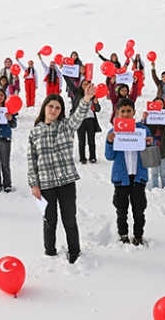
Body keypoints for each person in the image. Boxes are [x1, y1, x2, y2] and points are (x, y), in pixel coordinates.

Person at [27, 83, 95, 264]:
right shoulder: (35, 132)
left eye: (58, 107)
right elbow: (31, 160)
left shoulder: (66, 126)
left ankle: (75, 252)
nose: (54, 110)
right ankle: (50, 252)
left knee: (69, 220)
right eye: (51, 106)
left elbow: (78, 115)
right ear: (45, 107)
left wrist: (86, 99)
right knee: (49, 221)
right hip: (45, 184)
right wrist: (34, 184)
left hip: (66, 182)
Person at [105, 98, 154, 245]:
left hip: (139, 176)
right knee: (121, 209)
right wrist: (109, 142)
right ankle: (123, 234)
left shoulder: (143, 130)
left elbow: (149, 154)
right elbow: (109, 156)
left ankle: (138, 235)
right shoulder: (113, 132)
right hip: (121, 177)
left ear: (134, 112)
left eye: (128, 111)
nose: (126, 114)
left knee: (139, 209)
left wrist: (151, 143)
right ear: (117, 113)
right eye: (122, 111)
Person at [142, 97, 165, 189]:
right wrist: (144, 120)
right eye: (157, 104)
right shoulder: (149, 115)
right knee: (154, 172)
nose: (159, 106)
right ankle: (154, 187)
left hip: (164, 147)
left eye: (161, 104)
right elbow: (144, 130)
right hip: (152, 147)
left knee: (163, 171)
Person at [71, 80, 101, 164]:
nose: (86, 86)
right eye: (84, 84)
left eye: (87, 84)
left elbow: (98, 109)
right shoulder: (78, 95)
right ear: (81, 86)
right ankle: (82, 158)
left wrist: (96, 103)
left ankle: (92, 157)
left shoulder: (93, 96)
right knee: (81, 141)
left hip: (91, 120)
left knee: (91, 140)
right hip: (80, 120)